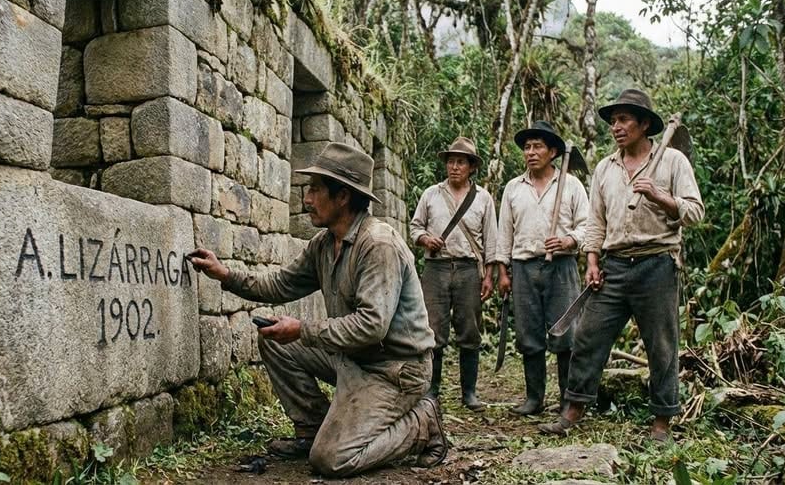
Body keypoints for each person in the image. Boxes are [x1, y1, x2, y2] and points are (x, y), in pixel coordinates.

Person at [188, 142, 447, 477]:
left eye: (315, 189)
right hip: (353, 358)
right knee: (274, 340)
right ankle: (311, 429)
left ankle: (423, 423)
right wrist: (225, 274)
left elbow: (372, 326)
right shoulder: (324, 244)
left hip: (395, 370)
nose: (307, 199)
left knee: (331, 460)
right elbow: (281, 284)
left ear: (343, 197)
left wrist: (303, 329)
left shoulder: (378, 245)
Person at [539, 89, 704, 442]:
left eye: (624, 119)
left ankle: (662, 420)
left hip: (657, 263)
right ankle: (573, 408)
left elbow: (695, 211)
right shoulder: (605, 168)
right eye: (613, 121)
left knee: (661, 345)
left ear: (644, 124)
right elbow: (595, 220)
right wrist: (592, 260)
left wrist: (659, 195)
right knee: (588, 336)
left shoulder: (672, 161)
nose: (616, 126)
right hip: (613, 265)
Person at [496, 120, 589, 415]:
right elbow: (504, 233)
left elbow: (587, 226)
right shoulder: (514, 188)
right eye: (527, 147)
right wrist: (502, 271)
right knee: (528, 334)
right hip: (524, 268)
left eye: (538, 147)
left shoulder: (570, 185)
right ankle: (534, 399)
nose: (531, 152)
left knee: (566, 335)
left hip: (561, 268)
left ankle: (567, 400)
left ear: (553, 152)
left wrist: (568, 240)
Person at [409, 137, 498, 411]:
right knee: (432, 329)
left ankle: (469, 393)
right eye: (451, 161)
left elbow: (491, 241)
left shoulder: (483, 198)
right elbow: (414, 228)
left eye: (460, 162)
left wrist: (489, 276)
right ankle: (432, 389)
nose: (454, 167)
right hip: (436, 268)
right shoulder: (431, 194)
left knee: (469, 330)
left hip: (468, 269)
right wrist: (425, 239)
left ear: (471, 167)